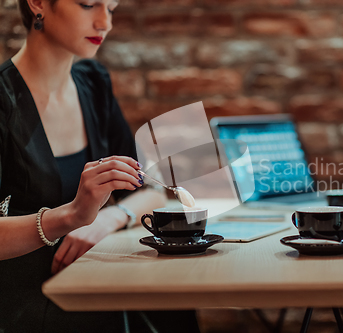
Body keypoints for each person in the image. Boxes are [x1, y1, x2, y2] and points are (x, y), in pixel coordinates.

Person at [0, 0, 199, 332]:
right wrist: (72, 216)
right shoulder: (4, 100)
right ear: (37, 3)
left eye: (111, 7)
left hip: (94, 278)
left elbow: (151, 190)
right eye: (89, 4)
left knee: (175, 307)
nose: (104, 22)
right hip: (30, 298)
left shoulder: (93, 82)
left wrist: (108, 218)